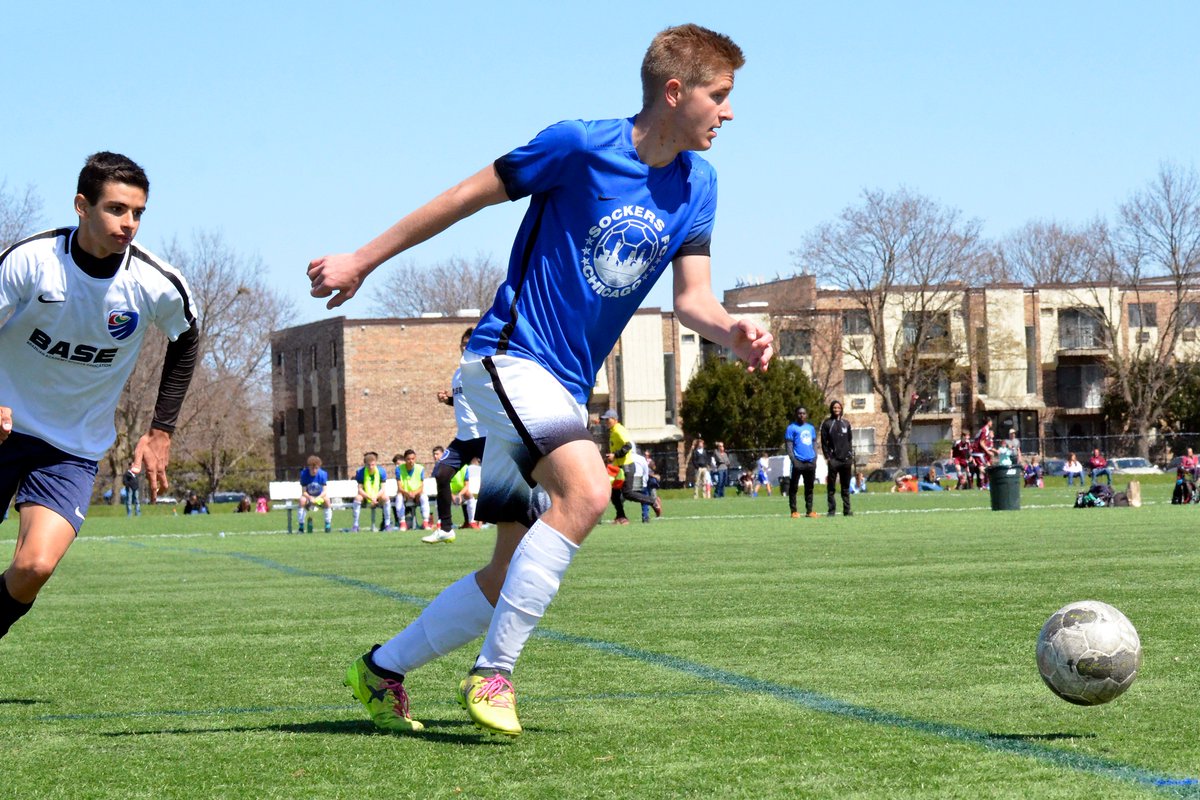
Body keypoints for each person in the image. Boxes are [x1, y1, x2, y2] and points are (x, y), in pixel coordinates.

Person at [310, 24, 771, 736]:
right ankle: (493, 676)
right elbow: (468, 193)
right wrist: (364, 260)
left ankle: (380, 669)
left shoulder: (699, 185)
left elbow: (692, 299)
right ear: (675, 92)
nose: (730, 112)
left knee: (505, 573)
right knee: (587, 490)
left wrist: (730, 331)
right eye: (721, 95)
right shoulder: (580, 146)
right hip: (508, 361)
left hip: (559, 387)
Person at [0, 152, 198, 644]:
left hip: (72, 446)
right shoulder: (32, 260)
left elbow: (187, 337)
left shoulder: (154, 283)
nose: (129, 223)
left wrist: (160, 431)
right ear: (81, 206)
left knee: (35, 567)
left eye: (138, 213)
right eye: (116, 209)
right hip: (4, 428)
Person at [425, 327, 488, 545]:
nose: (465, 345)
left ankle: (525, 519)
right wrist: (448, 400)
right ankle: (446, 528)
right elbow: (464, 402)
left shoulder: (484, 368)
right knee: (441, 475)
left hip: (485, 435)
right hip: (463, 438)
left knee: (504, 478)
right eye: (463, 342)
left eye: (469, 342)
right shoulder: (458, 373)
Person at [601, 409, 662, 517]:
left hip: (626, 466)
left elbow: (628, 445)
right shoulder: (613, 431)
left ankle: (653, 501)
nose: (606, 422)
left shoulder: (619, 430)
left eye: (608, 419)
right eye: (605, 420)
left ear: (615, 419)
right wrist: (611, 457)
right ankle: (621, 517)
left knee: (627, 493)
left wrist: (615, 455)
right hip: (618, 467)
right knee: (614, 494)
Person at [820, 400, 854, 516]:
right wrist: (828, 457)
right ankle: (831, 510)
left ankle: (847, 510)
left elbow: (849, 441)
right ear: (831, 409)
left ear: (841, 409)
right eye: (834, 408)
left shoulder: (846, 423)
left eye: (838, 407)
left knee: (845, 487)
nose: (836, 409)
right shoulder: (827, 424)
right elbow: (824, 442)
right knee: (831, 487)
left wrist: (850, 454)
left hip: (846, 460)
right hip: (834, 460)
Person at [785, 406, 818, 519]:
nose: (802, 415)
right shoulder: (791, 428)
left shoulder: (810, 428)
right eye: (799, 413)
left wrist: (815, 457)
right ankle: (793, 511)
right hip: (798, 462)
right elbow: (789, 445)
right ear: (796, 415)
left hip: (810, 462)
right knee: (793, 487)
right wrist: (793, 459)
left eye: (803, 413)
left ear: (806, 415)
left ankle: (809, 511)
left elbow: (814, 443)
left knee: (809, 488)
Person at [352, 451, 392, 532]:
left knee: (386, 497)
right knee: (357, 498)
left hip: (378, 495)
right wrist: (370, 497)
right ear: (365, 464)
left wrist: (375, 497)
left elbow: (383, 488)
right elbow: (360, 489)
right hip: (366, 496)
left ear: (375, 463)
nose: (371, 467)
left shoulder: (381, 471)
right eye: (368, 465)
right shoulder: (360, 472)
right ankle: (355, 525)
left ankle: (387, 524)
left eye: (373, 465)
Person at [394, 449, 431, 531]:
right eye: (408, 459)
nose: (411, 461)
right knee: (399, 497)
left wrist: (414, 493)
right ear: (405, 459)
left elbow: (421, 486)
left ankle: (425, 522)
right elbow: (399, 487)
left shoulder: (420, 468)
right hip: (405, 494)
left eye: (413, 459)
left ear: (415, 459)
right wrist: (407, 493)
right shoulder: (399, 469)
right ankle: (402, 523)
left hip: (416, 493)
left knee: (424, 497)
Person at [298, 454, 332, 533]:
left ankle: (328, 524)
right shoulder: (304, 474)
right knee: (302, 500)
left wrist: (317, 498)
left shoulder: (322, 474)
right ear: (309, 467)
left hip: (319, 497)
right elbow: (303, 491)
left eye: (316, 468)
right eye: (312, 468)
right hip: (309, 497)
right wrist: (310, 498)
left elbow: (324, 491)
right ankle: (301, 526)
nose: (314, 470)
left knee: (327, 500)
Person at [604, 451, 629, 525]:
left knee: (617, 503)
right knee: (617, 504)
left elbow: (610, 479)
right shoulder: (618, 466)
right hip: (617, 487)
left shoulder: (611, 467)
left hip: (615, 488)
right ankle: (620, 517)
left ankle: (622, 518)